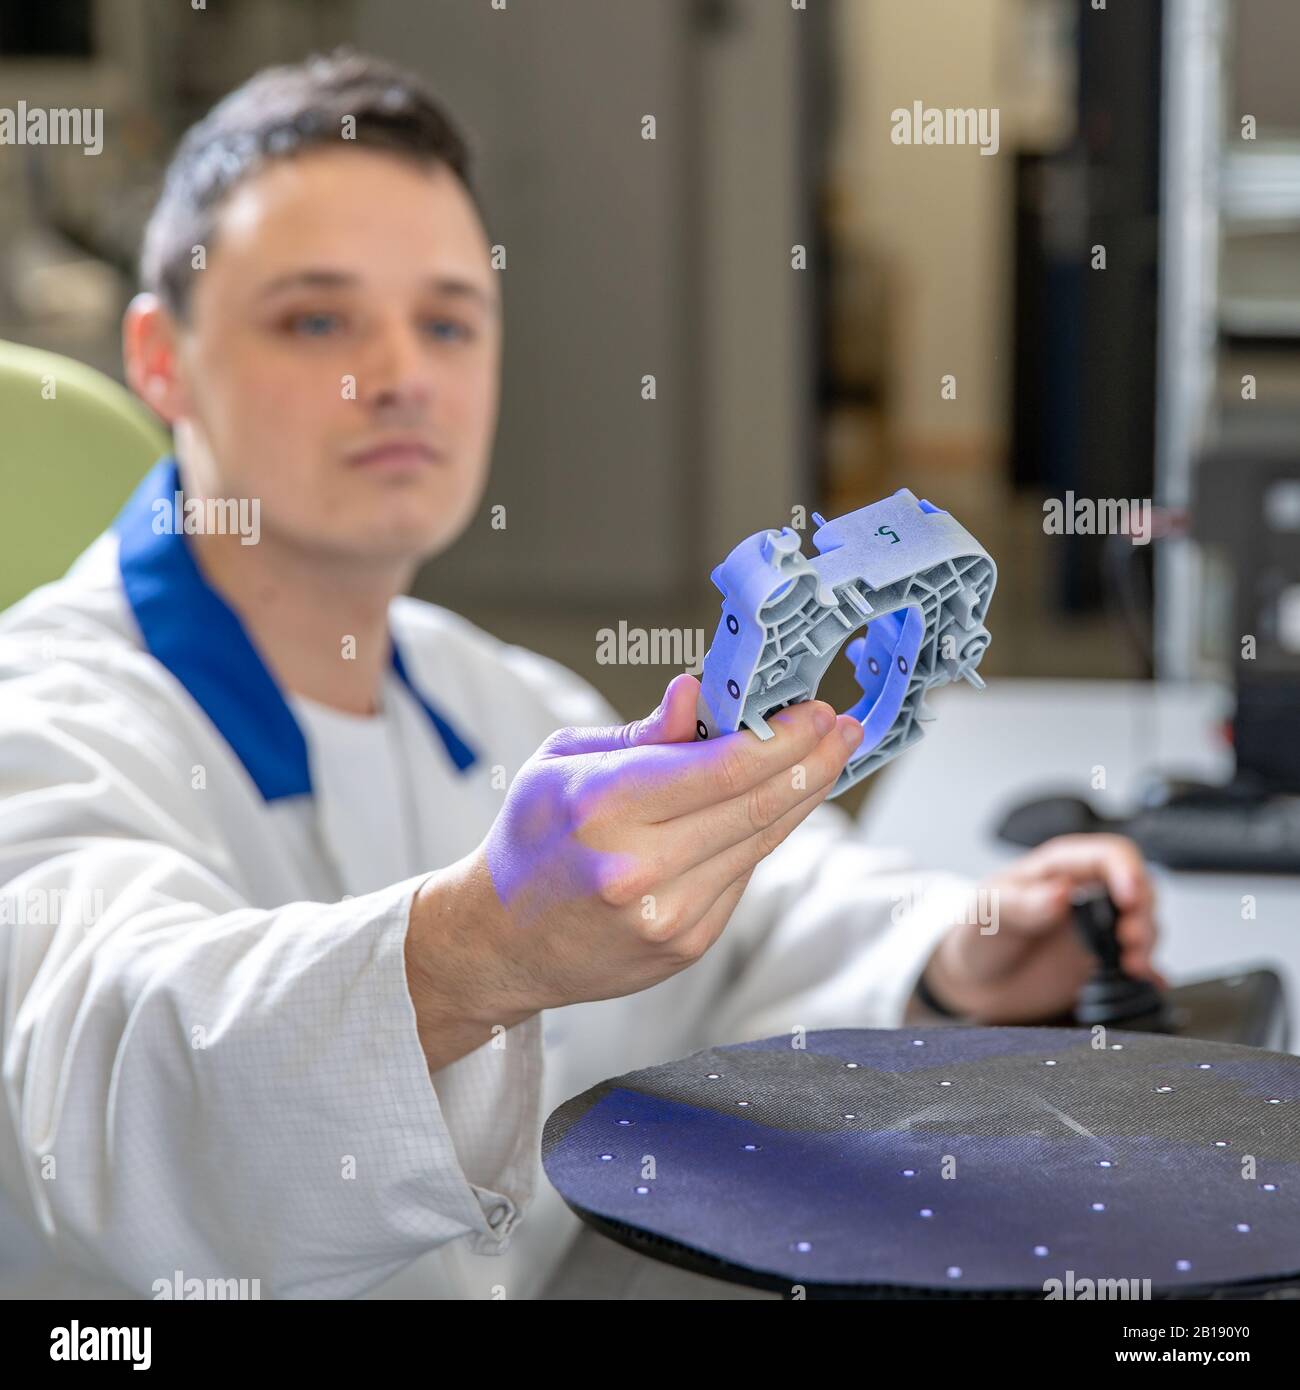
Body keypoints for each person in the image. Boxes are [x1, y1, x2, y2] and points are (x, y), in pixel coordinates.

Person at [0, 51, 1159, 1300]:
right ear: (159, 357)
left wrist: (951, 949)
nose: (400, 373)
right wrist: (472, 953)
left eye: (448, 320)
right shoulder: (47, 715)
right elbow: (99, 1085)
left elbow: (746, 924)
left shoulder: (484, 695)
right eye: (317, 317)